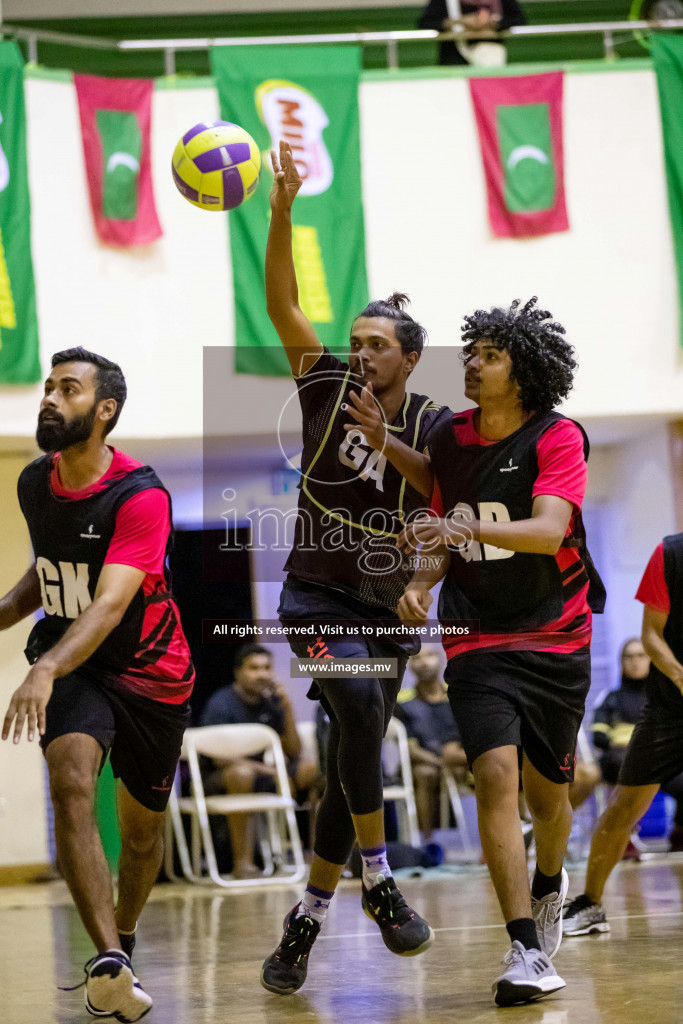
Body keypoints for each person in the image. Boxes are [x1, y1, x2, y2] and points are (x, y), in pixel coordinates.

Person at [260, 141, 451, 996]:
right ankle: (379, 878)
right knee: (360, 705)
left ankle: (305, 917)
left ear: (409, 358)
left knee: (356, 737)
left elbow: (442, 520)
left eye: (378, 344)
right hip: (311, 596)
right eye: (357, 341)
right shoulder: (326, 386)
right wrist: (280, 211)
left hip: (384, 608)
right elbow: (281, 304)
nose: (362, 353)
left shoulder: (438, 427)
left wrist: (419, 582)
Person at [396, 297, 605, 1006]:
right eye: (470, 351)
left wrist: (457, 530)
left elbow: (548, 532)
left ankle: (550, 883)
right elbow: (435, 525)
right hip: (473, 633)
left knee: (551, 795)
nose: (472, 363)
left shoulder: (556, 438)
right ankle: (523, 946)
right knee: (492, 775)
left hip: (554, 632)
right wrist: (423, 583)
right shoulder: (450, 441)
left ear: (522, 371)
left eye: (488, 354)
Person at [0, 347, 194, 1023]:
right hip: (73, 659)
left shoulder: (140, 496)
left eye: (68, 389)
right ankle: (107, 960)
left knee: (141, 835)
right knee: (71, 779)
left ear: (103, 410)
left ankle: (125, 940)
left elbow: (109, 603)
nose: (50, 397)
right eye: (48, 387)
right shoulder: (33, 482)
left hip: (149, 670)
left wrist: (44, 670)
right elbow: (48, 573)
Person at [562, 537, 683, 936]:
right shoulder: (670, 555)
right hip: (670, 712)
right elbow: (651, 635)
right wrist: (680, 676)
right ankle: (591, 903)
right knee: (624, 808)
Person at [199, 643, 319, 877]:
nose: (262, 674)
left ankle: (316, 854)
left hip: (262, 774)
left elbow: (294, 752)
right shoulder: (221, 703)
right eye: (254, 668)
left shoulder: (271, 702)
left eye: (267, 667)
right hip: (220, 777)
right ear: (238, 672)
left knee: (311, 770)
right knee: (241, 774)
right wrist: (272, 772)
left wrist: (286, 708)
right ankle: (242, 864)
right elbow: (219, 758)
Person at [394, 646, 469, 838]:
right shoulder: (402, 701)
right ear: (410, 665)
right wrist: (441, 762)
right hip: (424, 763)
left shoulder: (457, 696)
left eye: (430, 655)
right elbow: (409, 748)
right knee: (425, 773)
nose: (425, 662)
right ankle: (426, 840)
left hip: (460, 761)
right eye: (417, 658)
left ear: (442, 660)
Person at [418, 0, 526, 67]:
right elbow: (426, 22)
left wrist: (494, 23)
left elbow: (518, 19)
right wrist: (459, 21)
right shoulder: (446, 2)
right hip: (454, 59)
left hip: (490, 56)